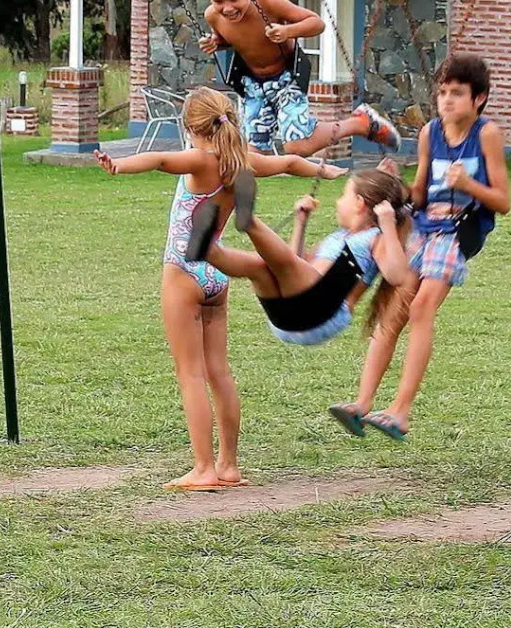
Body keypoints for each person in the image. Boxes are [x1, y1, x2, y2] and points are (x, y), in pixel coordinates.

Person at [95, 87, 344, 491]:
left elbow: (159, 159)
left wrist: (118, 166)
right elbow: (289, 162)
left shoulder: (199, 159)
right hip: (216, 275)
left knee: (190, 374)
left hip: (184, 271)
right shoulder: (241, 161)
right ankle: (229, 465)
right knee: (219, 372)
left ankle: (203, 468)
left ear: (191, 127)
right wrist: (323, 171)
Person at [329, 52, 510, 441]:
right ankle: (361, 404)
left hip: (457, 233)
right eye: (443, 92)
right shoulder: (431, 132)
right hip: (426, 228)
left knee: (422, 307)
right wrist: (396, 185)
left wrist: (469, 186)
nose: (447, 100)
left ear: (478, 98)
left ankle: (401, 410)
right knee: (394, 310)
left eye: (457, 93)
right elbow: (421, 194)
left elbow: (503, 201)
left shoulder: (487, 134)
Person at [189, 168, 417, 349]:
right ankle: (208, 250)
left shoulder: (375, 238)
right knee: (260, 266)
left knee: (284, 264)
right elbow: (295, 267)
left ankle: (249, 221)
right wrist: (301, 223)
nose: (338, 202)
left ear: (359, 203)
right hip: (288, 316)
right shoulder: (338, 237)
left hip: (321, 315)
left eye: (343, 196)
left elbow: (396, 275)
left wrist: (387, 225)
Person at [197, 0, 400, 157]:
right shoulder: (212, 16)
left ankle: (359, 123)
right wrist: (215, 43)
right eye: (219, 1)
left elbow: (317, 23)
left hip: (286, 78)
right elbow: (230, 39)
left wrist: (288, 31)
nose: (228, 8)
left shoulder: (270, 5)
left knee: (298, 146)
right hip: (253, 85)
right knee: (253, 153)